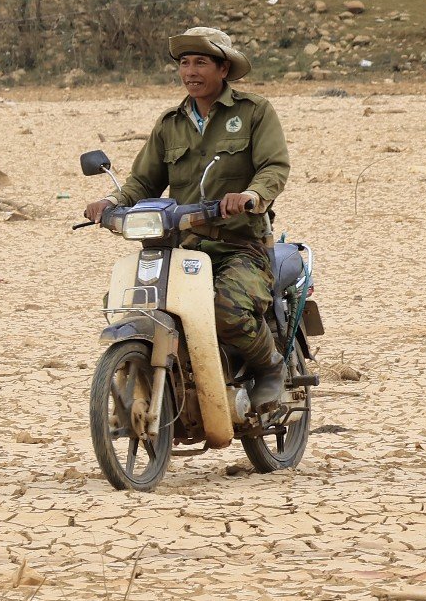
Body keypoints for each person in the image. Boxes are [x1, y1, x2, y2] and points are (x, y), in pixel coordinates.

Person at [83, 27, 293, 411]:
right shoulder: (170, 123)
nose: (190, 71)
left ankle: (270, 368)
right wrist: (110, 201)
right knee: (129, 300)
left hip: (241, 245)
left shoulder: (253, 112)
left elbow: (273, 167)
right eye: (184, 63)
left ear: (223, 68)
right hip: (181, 245)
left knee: (227, 307)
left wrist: (250, 196)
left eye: (201, 62)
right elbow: (143, 181)